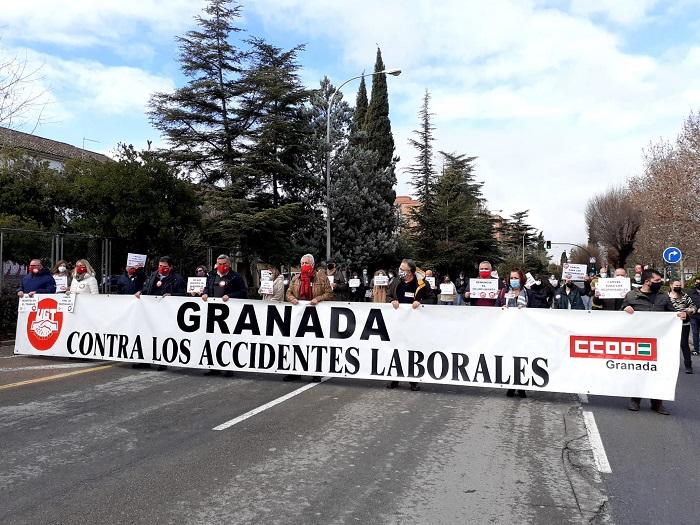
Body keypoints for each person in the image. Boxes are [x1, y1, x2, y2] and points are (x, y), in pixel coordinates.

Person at [622, 269, 686, 415]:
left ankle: (657, 403)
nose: (660, 283)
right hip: (639, 340)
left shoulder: (663, 297)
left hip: (659, 342)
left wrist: (683, 316)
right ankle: (635, 400)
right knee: (638, 369)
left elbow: (673, 314)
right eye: (657, 281)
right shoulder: (632, 295)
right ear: (647, 281)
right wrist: (625, 308)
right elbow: (620, 313)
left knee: (658, 371)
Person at [386, 259, 435, 391]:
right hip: (398, 322)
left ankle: (413, 380)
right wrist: (392, 301)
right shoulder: (396, 281)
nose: (400, 271)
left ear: (410, 272)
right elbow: (388, 296)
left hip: (415, 324)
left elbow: (432, 298)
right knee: (397, 349)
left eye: (403, 269)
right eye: (400, 268)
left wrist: (421, 302)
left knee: (412, 351)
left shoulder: (421, 283)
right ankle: (394, 378)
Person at [284, 254, 333, 381]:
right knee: (296, 343)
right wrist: (292, 298)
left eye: (306, 263)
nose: (304, 265)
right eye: (302, 263)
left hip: (315, 316)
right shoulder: (295, 279)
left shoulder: (322, 278)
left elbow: (329, 294)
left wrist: (318, 298)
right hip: (298, 316)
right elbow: (288, 293)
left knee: (314, 344)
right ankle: (294, 372)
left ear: (312, 265)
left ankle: (315, 372)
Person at [497, 268, 528, 398]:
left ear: (521, 279)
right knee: (509, 357)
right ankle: (510, 385)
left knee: (522, 359)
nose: (513, 280)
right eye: (512, 278)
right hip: (508, 330)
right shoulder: (504, 292)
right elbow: (497, 306)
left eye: (516, 278)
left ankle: (521, 386)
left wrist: (526, 309)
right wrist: (502, 308)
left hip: (523, 331)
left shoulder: (527, 292)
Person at [668, 280, 697, 374]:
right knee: (670, 345)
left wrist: (688, 311)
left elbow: (693, 307)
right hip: (669, 325)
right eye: (676, 285)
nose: (678, 287)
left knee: (684, 344)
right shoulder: (665, 297)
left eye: (680, 285)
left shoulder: (685, 296)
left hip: (684, 324)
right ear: (671, 285)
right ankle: (670, 365)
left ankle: (688, 365)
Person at [687, 277, 700, 356]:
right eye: (697, 282)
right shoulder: (691, 292)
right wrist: (696, 309)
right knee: (695, 333)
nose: (698, 284)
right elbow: (688, 303)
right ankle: (696, 349)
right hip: (694, 316)